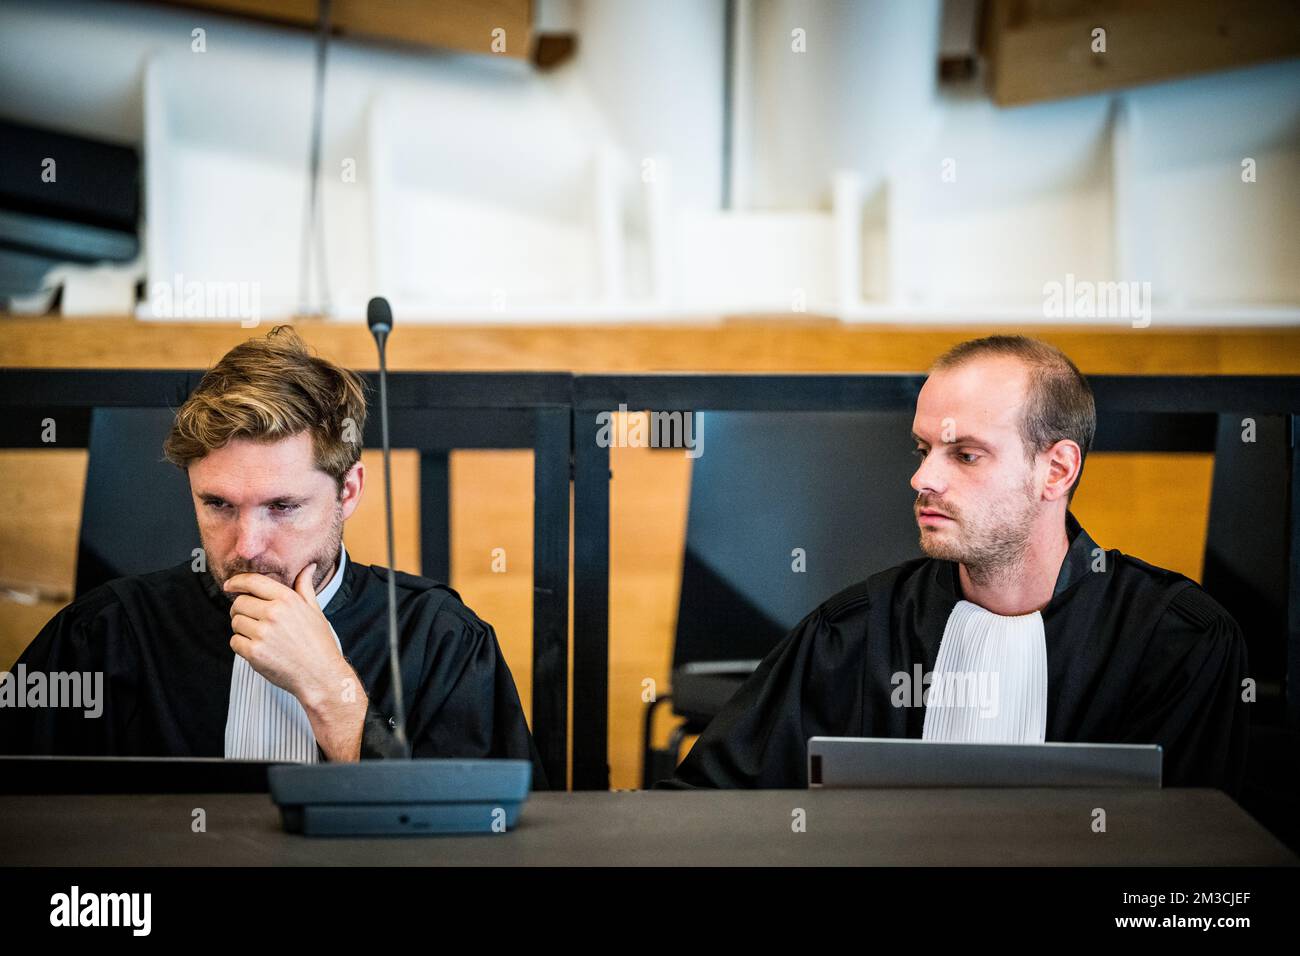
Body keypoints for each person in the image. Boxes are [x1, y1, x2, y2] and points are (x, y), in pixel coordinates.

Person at [665, 335, 1249, 794]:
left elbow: (1192, 882)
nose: (922, 479)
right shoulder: (849, 635)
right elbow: (708, 802)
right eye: (924, 451)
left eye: (965, 455)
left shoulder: (1178, 643)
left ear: (1056, 470)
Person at [0, 326, 546, 785]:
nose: (246, 547)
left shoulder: (441, 640)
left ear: (348, 492)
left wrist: (332, 692)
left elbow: (486, 848)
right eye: (217, 505)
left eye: (282, 506)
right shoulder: (104, 636)